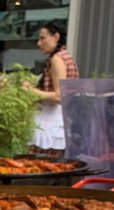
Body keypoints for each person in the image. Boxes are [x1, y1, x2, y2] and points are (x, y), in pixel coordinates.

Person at [28, 22, 78, 157]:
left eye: (43, 38)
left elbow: (59, 96)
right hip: (61, 120)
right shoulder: (66, 56)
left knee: (41, 164)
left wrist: (31, 91)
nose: (39, 43)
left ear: (56, 37)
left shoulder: (57, 59)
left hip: (50, 121)